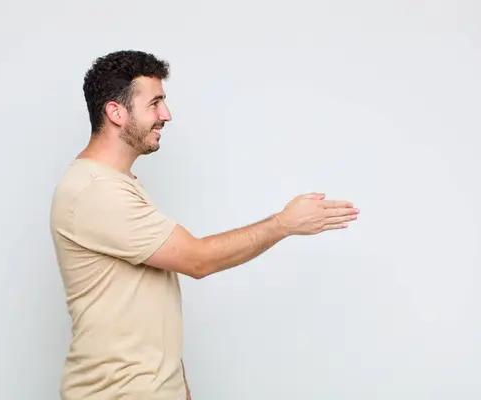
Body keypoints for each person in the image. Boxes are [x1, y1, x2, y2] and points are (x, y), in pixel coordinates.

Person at [49, 49, 359, 400]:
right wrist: (283, 224)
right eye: (155, 103)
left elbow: (146, 299)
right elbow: (198, 260)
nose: (166, 114)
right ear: (116, 112)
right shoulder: (95, 191)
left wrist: (178, 388)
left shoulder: (118, 184)